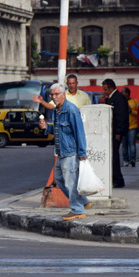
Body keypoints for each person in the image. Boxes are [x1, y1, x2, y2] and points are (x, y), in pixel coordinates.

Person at [38, 83, 90, 220]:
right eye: (52, 95)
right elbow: (57, 130)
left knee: (70, 183)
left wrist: (82, 154)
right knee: (59, 179)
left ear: (63, 94)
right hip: (61, 152)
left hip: (71, 153)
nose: (54, 97)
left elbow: (80, 132)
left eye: (56, 94)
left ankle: (78, 210)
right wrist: (46, 128)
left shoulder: (71, 110)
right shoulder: (56, 111)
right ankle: (83, 201)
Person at [102, 79, 128, 188]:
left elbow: (120, 117)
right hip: (110, 132)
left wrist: (118, 132)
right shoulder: (111, 98)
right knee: (112, 156)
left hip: (116, 133)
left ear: (111, 88)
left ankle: (118, 180)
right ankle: (114, 178)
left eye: (106, 89)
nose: (104, 92)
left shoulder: (118, 98)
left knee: (114, 157)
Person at [120, 87, 138, 167]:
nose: (121, 94)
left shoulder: (134, 102)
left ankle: (133, 159)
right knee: (124, 145)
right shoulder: (120, 102)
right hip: (123, 126)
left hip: (132, 126)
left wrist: (131, 111)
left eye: (123, 92)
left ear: (127, 93)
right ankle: (125, 160)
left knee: (132, 144)